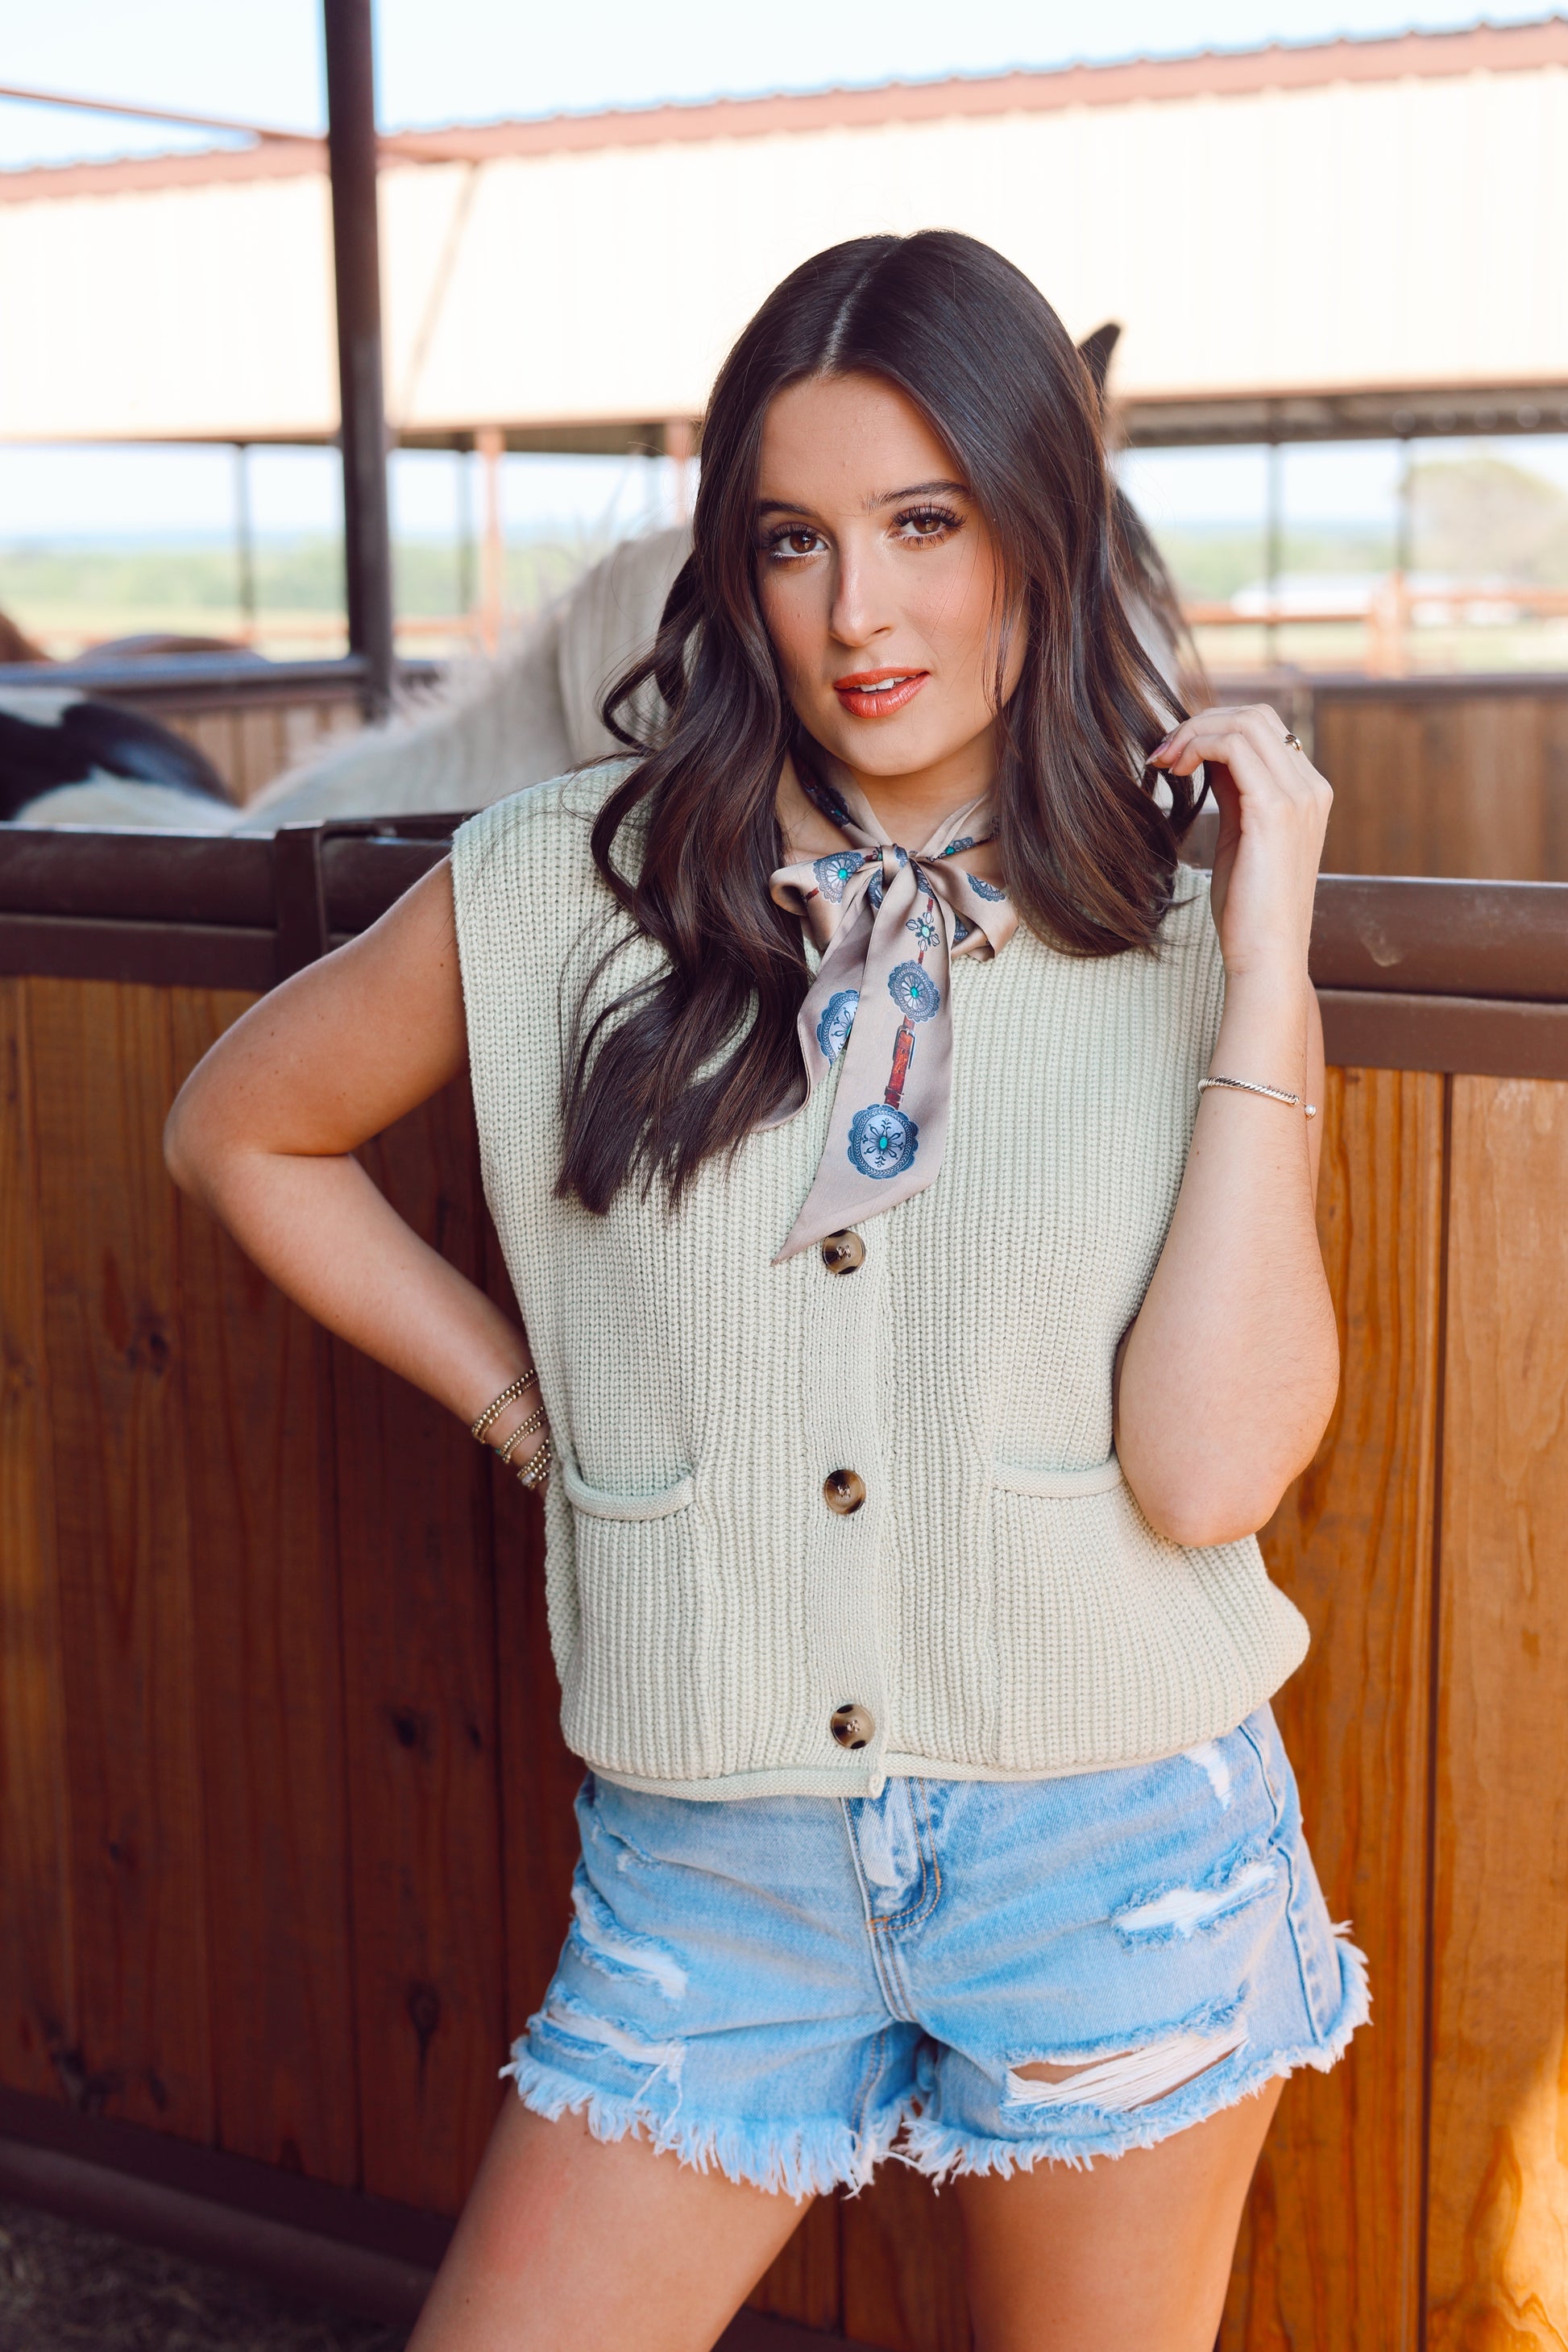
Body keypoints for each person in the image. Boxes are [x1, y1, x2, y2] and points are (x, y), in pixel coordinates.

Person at [164, 231, 1363, 2352]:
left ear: (1041, 531)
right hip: (711, 1868)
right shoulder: (562, 884)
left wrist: (1268, 966)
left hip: (1115, 1858)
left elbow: (1205, 1476)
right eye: (794, 540)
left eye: (926, 524)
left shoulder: (1179, 938)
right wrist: (523, 1407)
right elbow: (238, 1131)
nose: (858, 613)